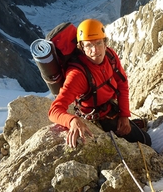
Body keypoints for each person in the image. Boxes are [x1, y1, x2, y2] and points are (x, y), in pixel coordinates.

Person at [48, 18, 151, 148]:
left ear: (105, 43)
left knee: (141, 136)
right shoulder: (77, 75)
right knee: (146, 141)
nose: (95, 50)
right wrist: (72, 120)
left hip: (111, 106)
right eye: (89, 45)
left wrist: (124, 115)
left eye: (98, 43)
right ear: (82, 48)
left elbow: (122, 84)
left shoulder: (110, 56)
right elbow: (54, 110)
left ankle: (130, 123)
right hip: (98, 117)